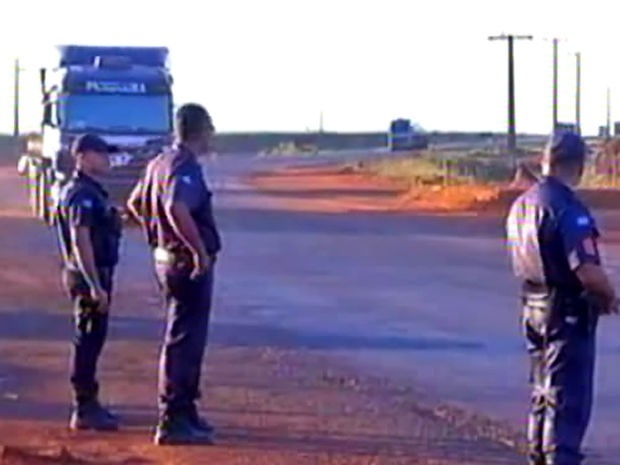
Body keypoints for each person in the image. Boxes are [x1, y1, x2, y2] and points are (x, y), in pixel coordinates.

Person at [506, 130, 618, 465]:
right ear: (579, 165)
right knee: (566, 399)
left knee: (542, 391)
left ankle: (539, 456)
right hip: (565, 312)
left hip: (532, 306)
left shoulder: (522, 204)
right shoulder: (567, 208)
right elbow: (586, 269)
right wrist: (609, 295)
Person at [126, 103, 221, 445]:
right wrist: (196, 250)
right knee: (184, 338)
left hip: (166, 258)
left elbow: (136, 203)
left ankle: (186, 410)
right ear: (202, 130)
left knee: (185, 335)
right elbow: (175, 206)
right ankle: (172, 418)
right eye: (211, 129)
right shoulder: (184, 165)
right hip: (184, 262)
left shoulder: (159, 162)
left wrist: (155, 236)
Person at [53, 134, 123, 431]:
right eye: (101, 154)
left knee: (93, 339)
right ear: (82, 156)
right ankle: (84, 407)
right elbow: (82, 241)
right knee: (88, 339)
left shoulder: (91, 191)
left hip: (90, 273)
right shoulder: (81, 193)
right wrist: (95, 285)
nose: (107, 159)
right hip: (87, 275)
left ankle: (89, 403)